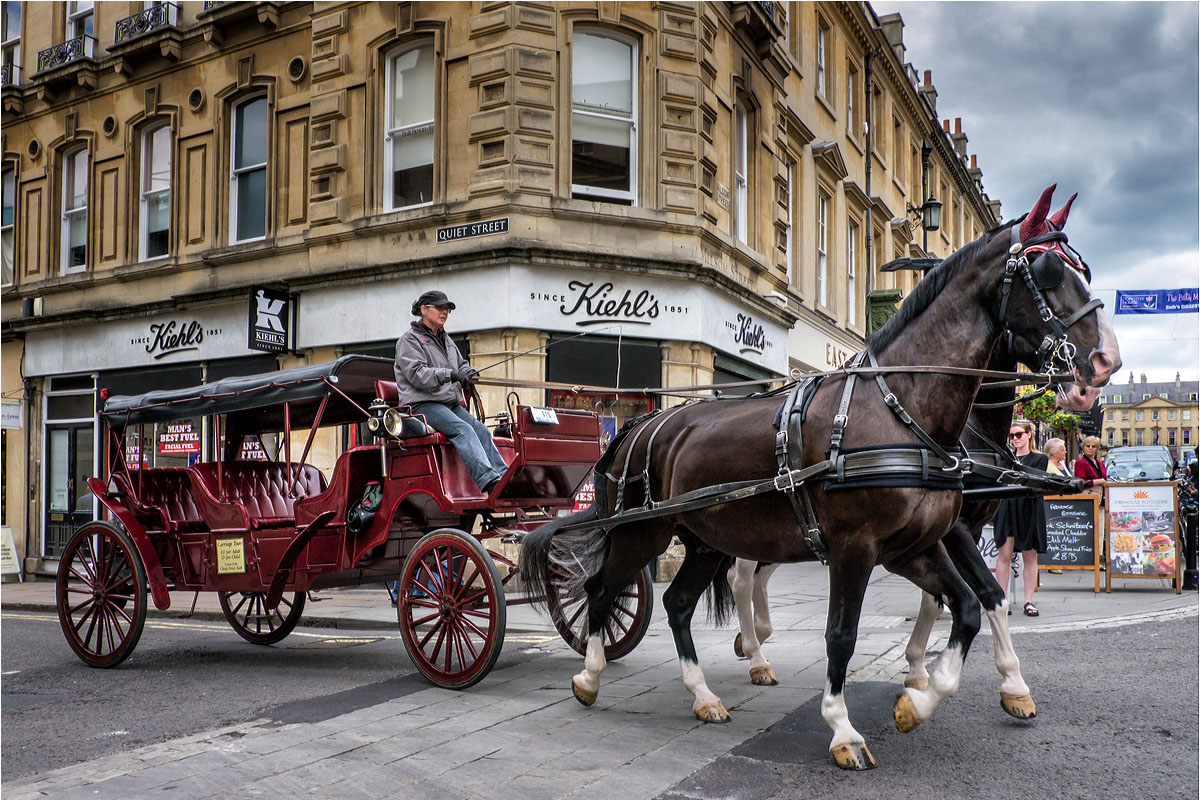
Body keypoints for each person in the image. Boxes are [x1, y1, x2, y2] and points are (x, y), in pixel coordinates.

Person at [394, 290, 508, 495]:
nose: (444, 312)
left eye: (447, 309)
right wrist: (451, 374)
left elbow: (461, 364)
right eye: (440, 307)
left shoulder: (445, 339)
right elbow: (417, 374)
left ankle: (506, 479)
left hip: (447, 403)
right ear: (423, 310)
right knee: (463, 429)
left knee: (480, 430)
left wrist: (467, 372)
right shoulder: (409, 340)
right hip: (422, 404)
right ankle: (489, 481)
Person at [994, 419, 1049, 616]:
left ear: (1028, 435)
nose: (1015, 439)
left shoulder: (1039, 458)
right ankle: (1002, 601)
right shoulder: (1006, 458)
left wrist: (1014, 484)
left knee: (1029, 555)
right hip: (1008, 506)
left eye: (1018, 434)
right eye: (1012, 436)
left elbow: (1037, 482)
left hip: (1029, 507)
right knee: (1004, 555)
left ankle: (1028, 601)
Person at [1074, 434, 1108, 568]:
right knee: (1089, 528)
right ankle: (1089, 559)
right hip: (1088, 495)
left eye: (1093, 446)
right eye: (1088, 446)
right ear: (1083, 448)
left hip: (1100, 496)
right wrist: (1097, 481)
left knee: (1099, 529)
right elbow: (1079, 481)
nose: (1090, 448)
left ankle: (1096, 558)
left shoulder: (1100, 463)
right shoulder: (1080, 462)